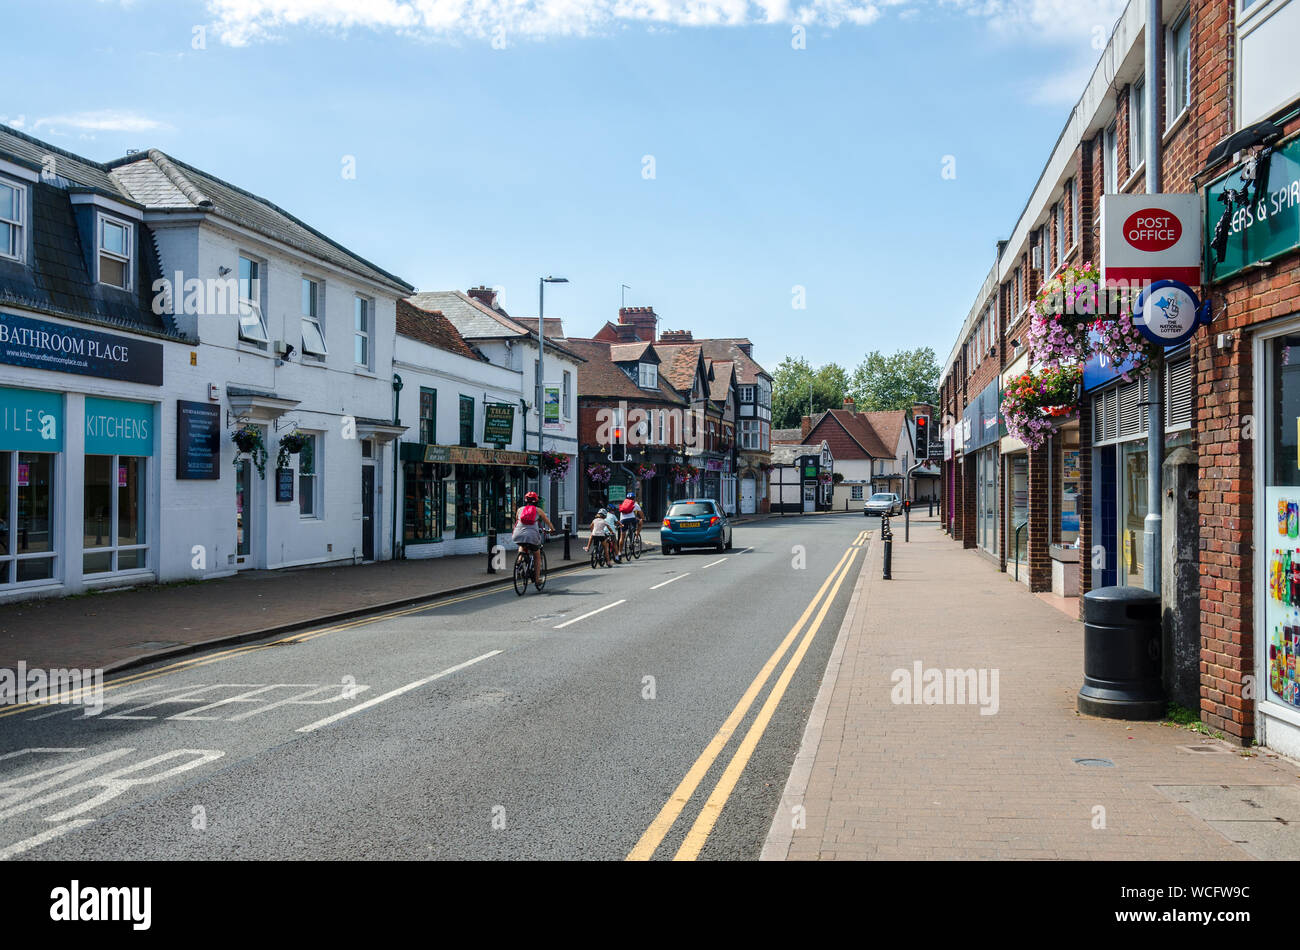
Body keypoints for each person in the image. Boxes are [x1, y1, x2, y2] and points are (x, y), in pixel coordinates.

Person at [512, 491, 554, 585]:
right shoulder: (538, 510)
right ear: (536, 501)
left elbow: (517, 521)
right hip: (532, 536)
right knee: (537, 556)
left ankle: (519, 564)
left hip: (518, 534)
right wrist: (552, 529)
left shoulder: (519, 510)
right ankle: (537, 579)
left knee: (521, 545)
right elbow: (547, 522)